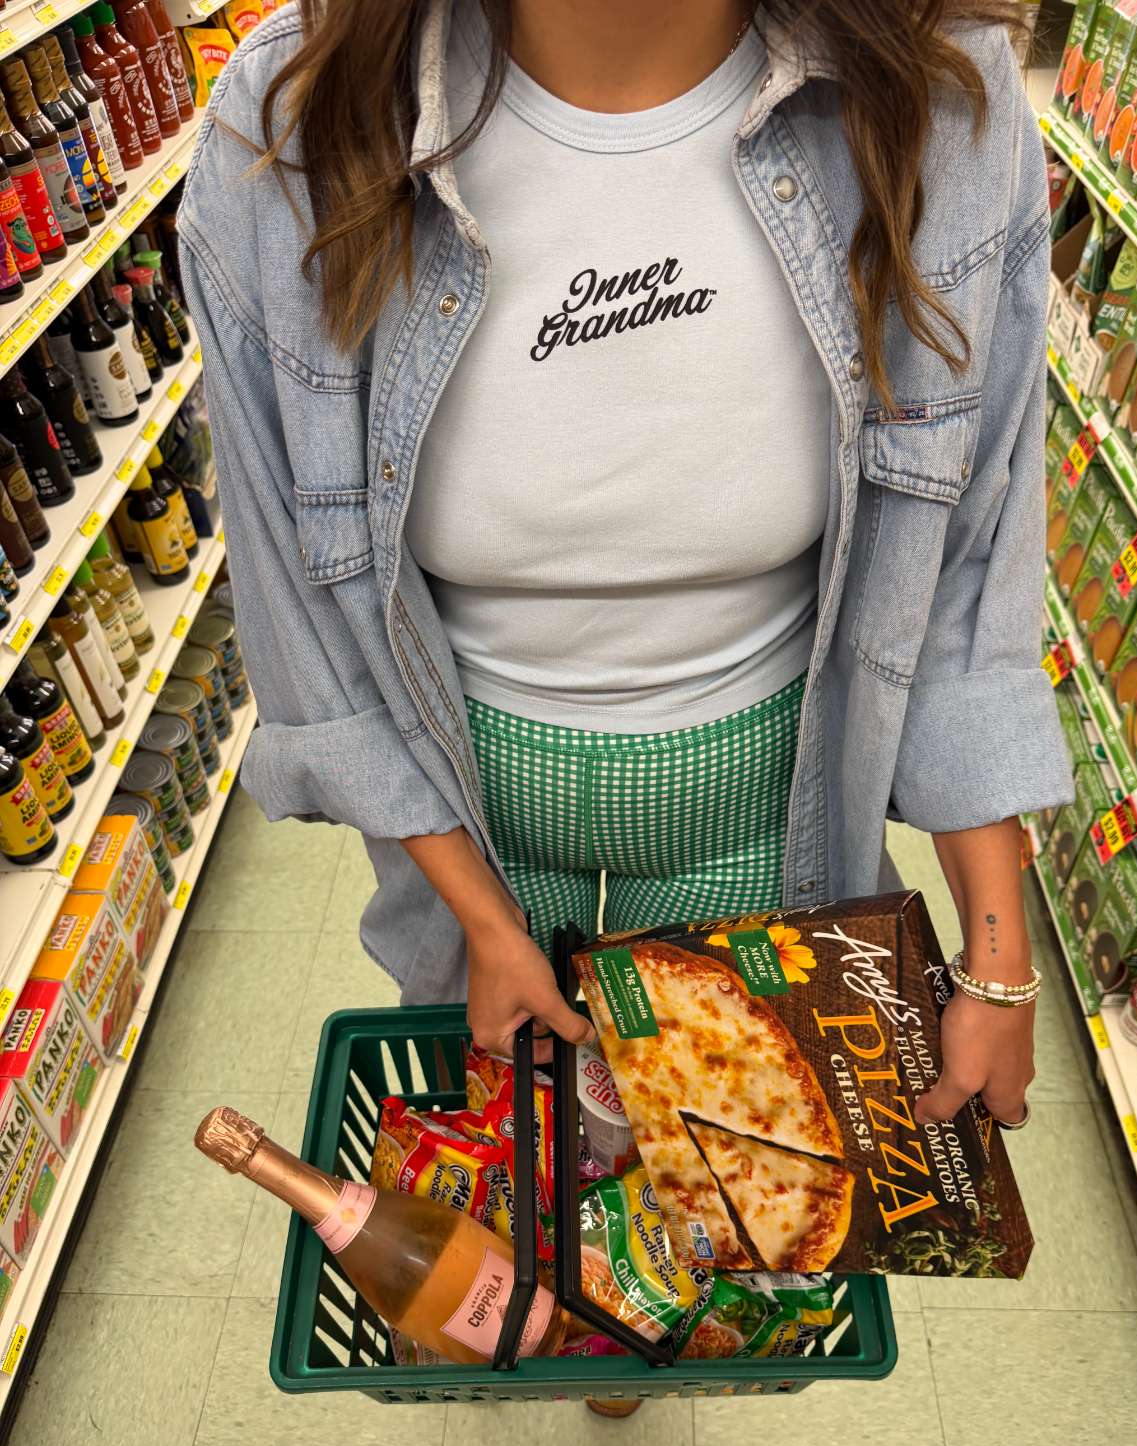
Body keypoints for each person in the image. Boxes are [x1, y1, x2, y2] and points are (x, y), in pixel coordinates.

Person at [177, 0, 1071, 1138]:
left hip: (763, 821)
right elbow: (303, 611)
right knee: (517, 1223)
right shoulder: (292, 118)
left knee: (741, 1212)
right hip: (475, 836)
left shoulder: (939, 94)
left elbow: (963, 566)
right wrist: (484, 926)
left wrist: (997, 959)